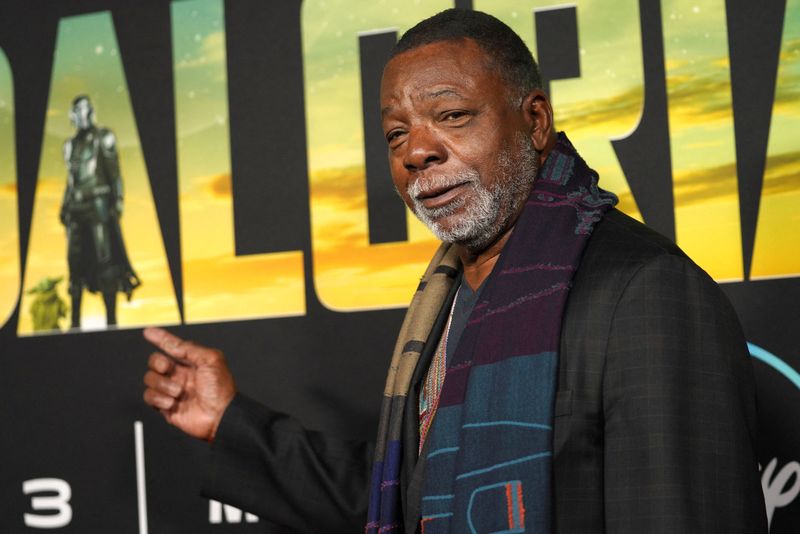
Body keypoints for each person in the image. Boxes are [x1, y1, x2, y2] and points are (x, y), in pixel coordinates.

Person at [143, 9, 766, 533]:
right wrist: (230, 420)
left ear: (536, 121)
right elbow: (410, 496)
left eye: (452, 115)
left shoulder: (645, 292)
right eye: (395, 134)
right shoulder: (444, 295)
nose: (417, 151)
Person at [61, 95, 140, 329]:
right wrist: (64, 206)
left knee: (106, 265)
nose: (82, 114)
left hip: (99, 206)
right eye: (78, 110)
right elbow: (71, 180)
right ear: (72, 114)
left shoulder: (103, 137)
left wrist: (118, 203)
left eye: (86, 109)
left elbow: (115, 173)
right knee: (74, 266)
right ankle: (74, 324)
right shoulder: (69, 145)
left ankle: (111, 322)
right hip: (76, 208)